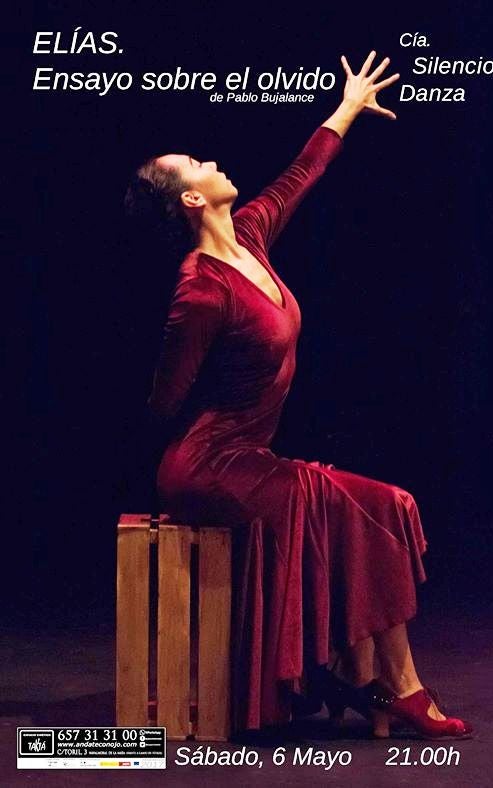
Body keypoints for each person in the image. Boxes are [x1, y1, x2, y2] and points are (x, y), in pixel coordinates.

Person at [124, 51, 473, 740]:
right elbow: (164, 400)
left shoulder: (249, 237)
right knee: (365, 505)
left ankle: (371, 680)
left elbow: (300, 175)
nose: (211, 161)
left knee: (382, 504)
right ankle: (395, 688)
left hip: (251, 458)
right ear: (191, 199)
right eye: (195, 163)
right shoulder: (201, 290)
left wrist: (347, 106)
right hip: (210, 467)